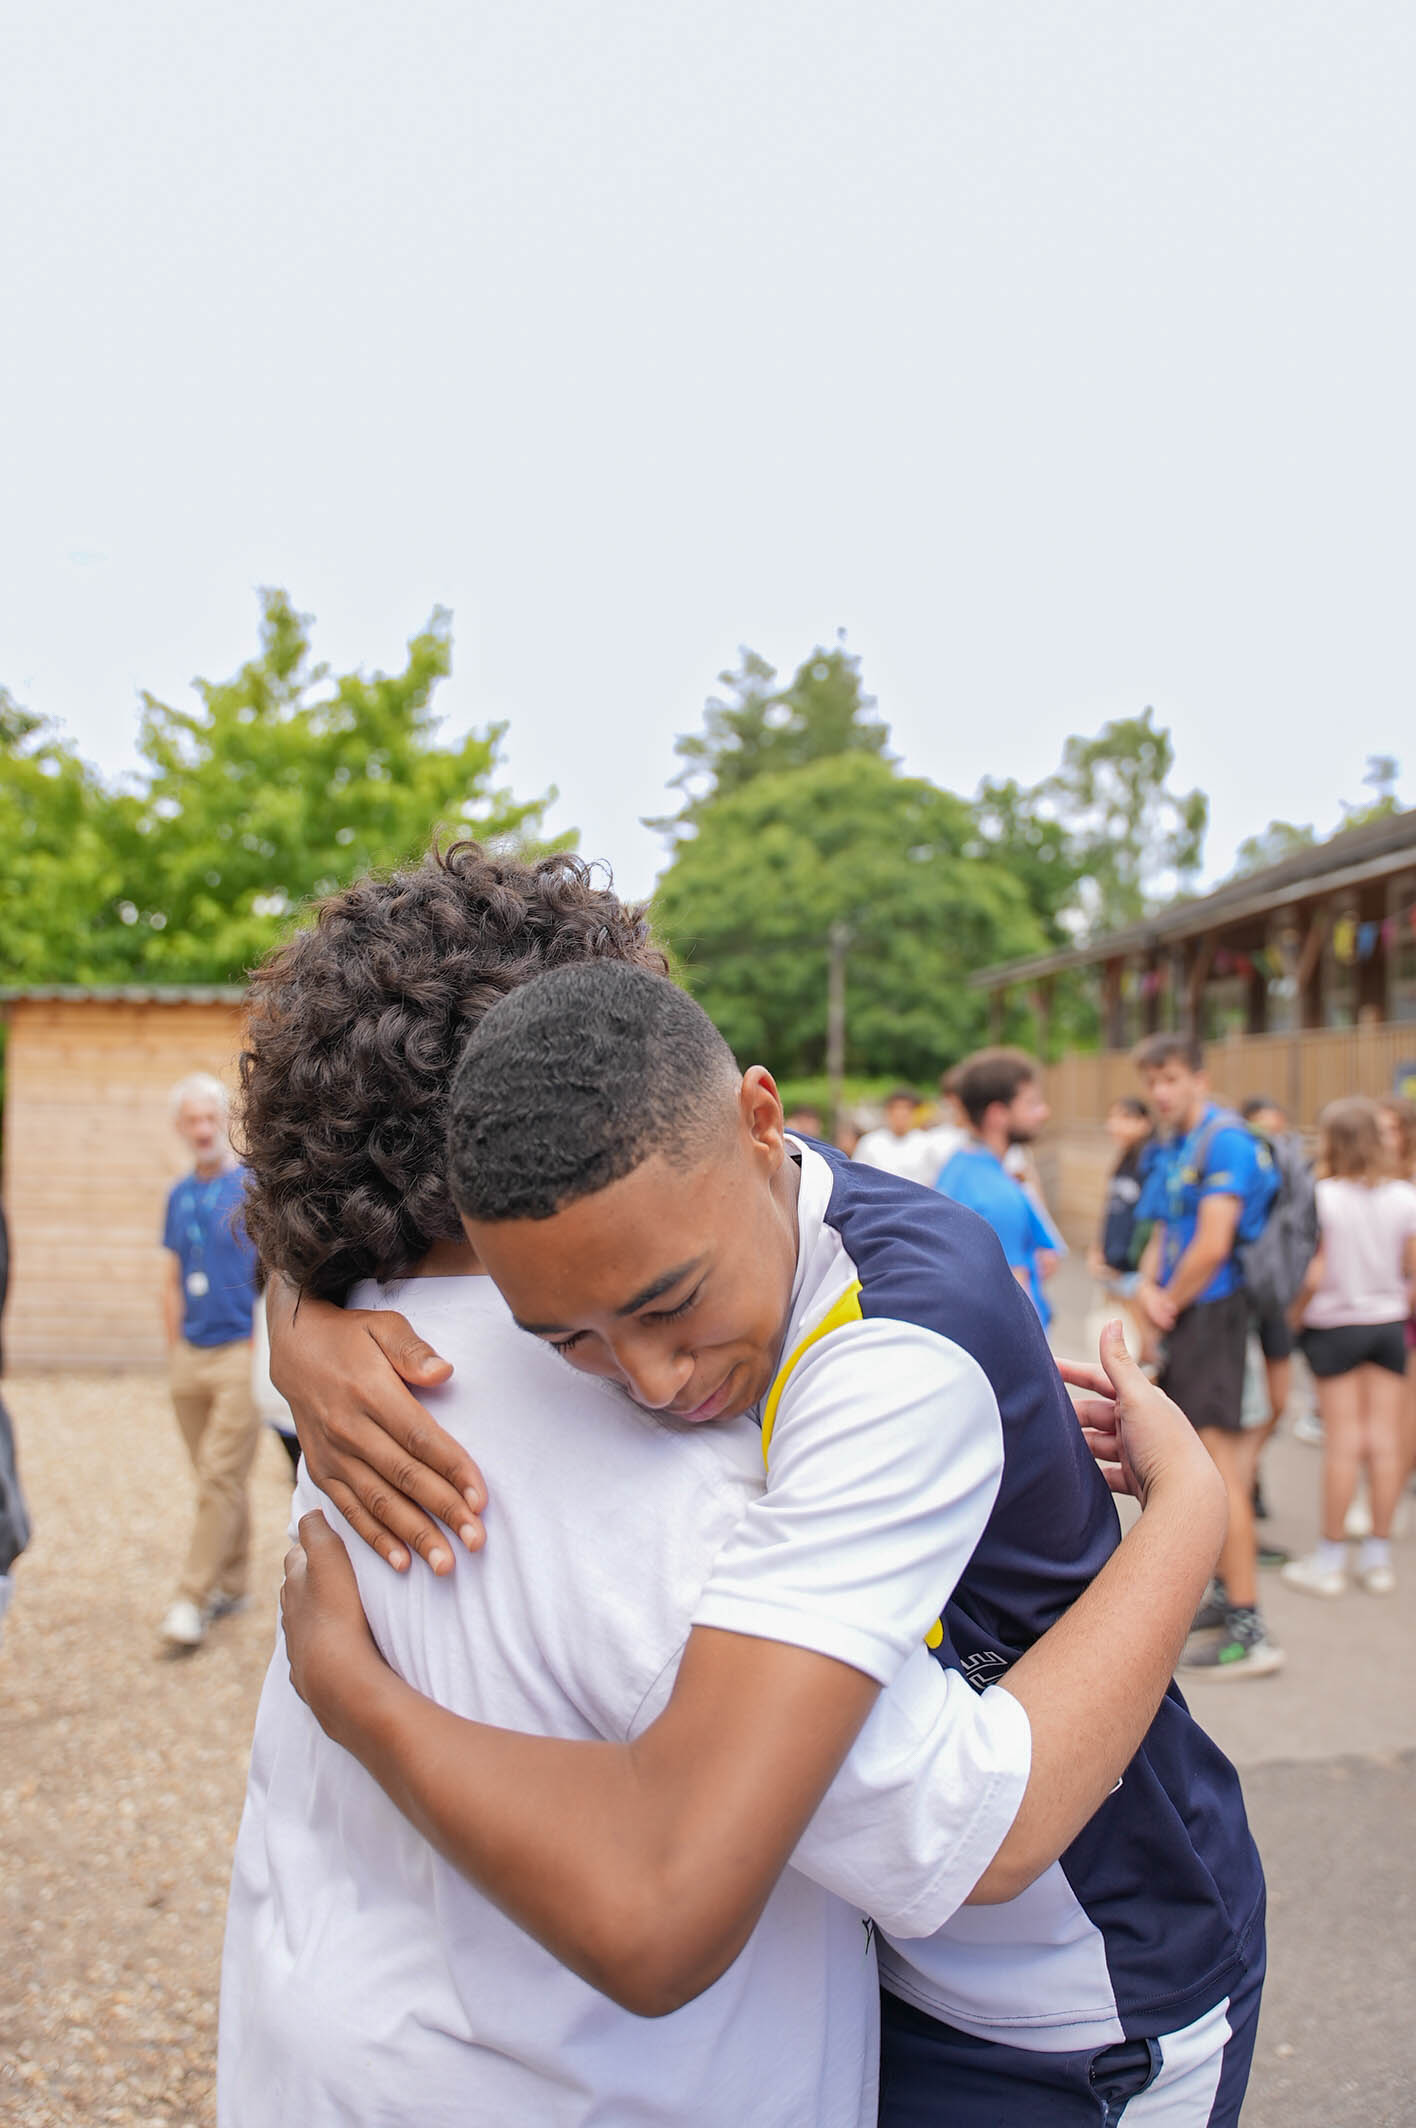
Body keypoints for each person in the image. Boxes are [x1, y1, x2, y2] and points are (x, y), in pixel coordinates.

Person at [223, 845, 1235, 2126]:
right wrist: (298, 1305)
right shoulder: (512, 1292)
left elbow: (976, 1828)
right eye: (568, 1336)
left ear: (751, 1119)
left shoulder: (885, 1357)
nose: (645, 1380)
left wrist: (1194, 1505)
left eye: (668, 1303)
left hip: (1075, 1989)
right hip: (912, 1975)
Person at [1132, 1035, 1281, 1679]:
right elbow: (1165, 1229)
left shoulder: (1227, 1139)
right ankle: (1224, 1595)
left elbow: (1214, 1243)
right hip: (1181, 1312)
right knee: (1196, 1460)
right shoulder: (1174, 1143)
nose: (1161, 1092)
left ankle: (1252, 1628)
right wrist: (1145, 1291)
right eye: (1152, 1081)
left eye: (1170, 1079)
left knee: (1218, 1472)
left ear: (1200, 1077)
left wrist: (1166, 1300)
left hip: (1214, 1315)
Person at [1280, 1097, 1416, 1599]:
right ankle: (1378, 1559)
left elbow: (1313, 1273)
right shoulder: (1405, 1197)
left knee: (1343, 1442)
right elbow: (1411, 1269)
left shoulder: (1323, 1196)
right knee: (1383, 1440)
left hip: (1334, 1327)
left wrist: (1294, 1318)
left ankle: (1331, 1559)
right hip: (1386, 1325)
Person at [159, 1074, 261, 1650]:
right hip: (189, 1354)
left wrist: (260, 1344)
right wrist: (173, 1344)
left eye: (209, 1119)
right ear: (180, 1128)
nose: (202, 1129)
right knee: (215, 1477)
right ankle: (234, 1580)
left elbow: (274, 1270)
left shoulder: (249, 1187)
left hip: (238, 1352)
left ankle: (190, 1599)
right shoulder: (178, 1196)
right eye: (191, 1120)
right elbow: (171, 1275)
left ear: (225, 1120)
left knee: (220, 1475)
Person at [934, 1048, 1057, 1325]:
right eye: (1031, 1103)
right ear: (998, 1114)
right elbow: (1015, 1300)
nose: (1044, 1112)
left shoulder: (958, 1165)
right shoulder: (998, 1196)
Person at [852, 1087, 935, 1183]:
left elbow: (931, 1180)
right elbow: (858, 1176)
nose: (900, 1115)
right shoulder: (870, 1142)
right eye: (896, 1109)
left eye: (906, 1110)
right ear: (888, 1112)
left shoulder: (925, 1144)